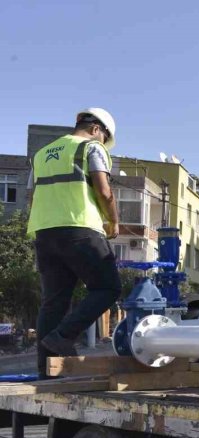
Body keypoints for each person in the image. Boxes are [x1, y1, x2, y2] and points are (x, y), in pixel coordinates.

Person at [27, 108, 122, 378]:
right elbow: (103, 190)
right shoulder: (91, 147)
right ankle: (63, 337)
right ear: (96, 129)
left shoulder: (42, 155)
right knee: (107, 287)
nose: (103, 143)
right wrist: (113, 221)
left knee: (54, 301)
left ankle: (46, 370)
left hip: (45, 233)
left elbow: (32, 196)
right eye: (105, 138)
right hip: (80, 227)